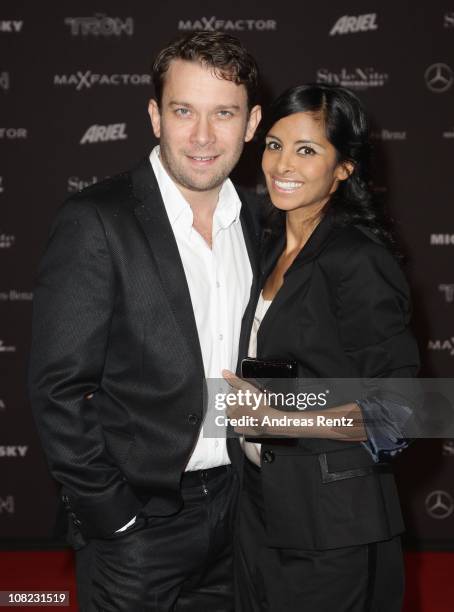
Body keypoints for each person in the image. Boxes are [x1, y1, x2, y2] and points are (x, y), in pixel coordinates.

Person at [28, 32, 261, 611]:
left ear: (252, 123)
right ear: (156, 116)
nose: (203, 136)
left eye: (223, 113)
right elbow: (58, 389)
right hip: (139, 530)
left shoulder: (258, 222)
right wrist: (117, 520)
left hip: (241, 517)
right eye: (184, 111)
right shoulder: (96, 221)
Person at [222, 84, 420, 612]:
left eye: (307, 150)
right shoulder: (266, 244)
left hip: (333, 521)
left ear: (344, 169)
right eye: (273, 144)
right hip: (260, 504)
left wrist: (281, 420)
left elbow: (400, 412)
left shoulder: (357, 258)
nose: (281, 164)